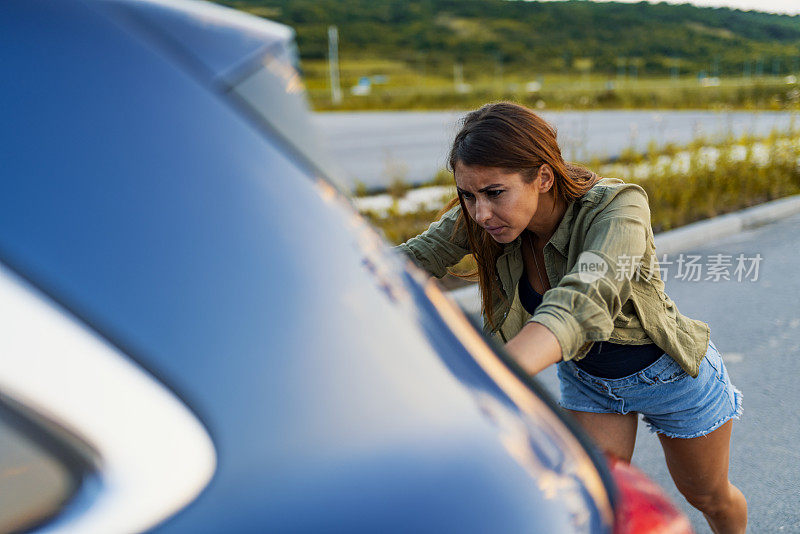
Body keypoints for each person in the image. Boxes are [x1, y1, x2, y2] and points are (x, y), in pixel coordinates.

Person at [396, 102, 747, 533]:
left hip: (669, 377)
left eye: (494, 192)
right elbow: (410, 260)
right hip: (589, 383)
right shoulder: (483, 219)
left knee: (709, 497)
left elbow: (584, 299)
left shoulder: (619, 207)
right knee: (592, 510)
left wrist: (491, 379)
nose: (479, 212)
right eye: (467, 195)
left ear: (543, 177)